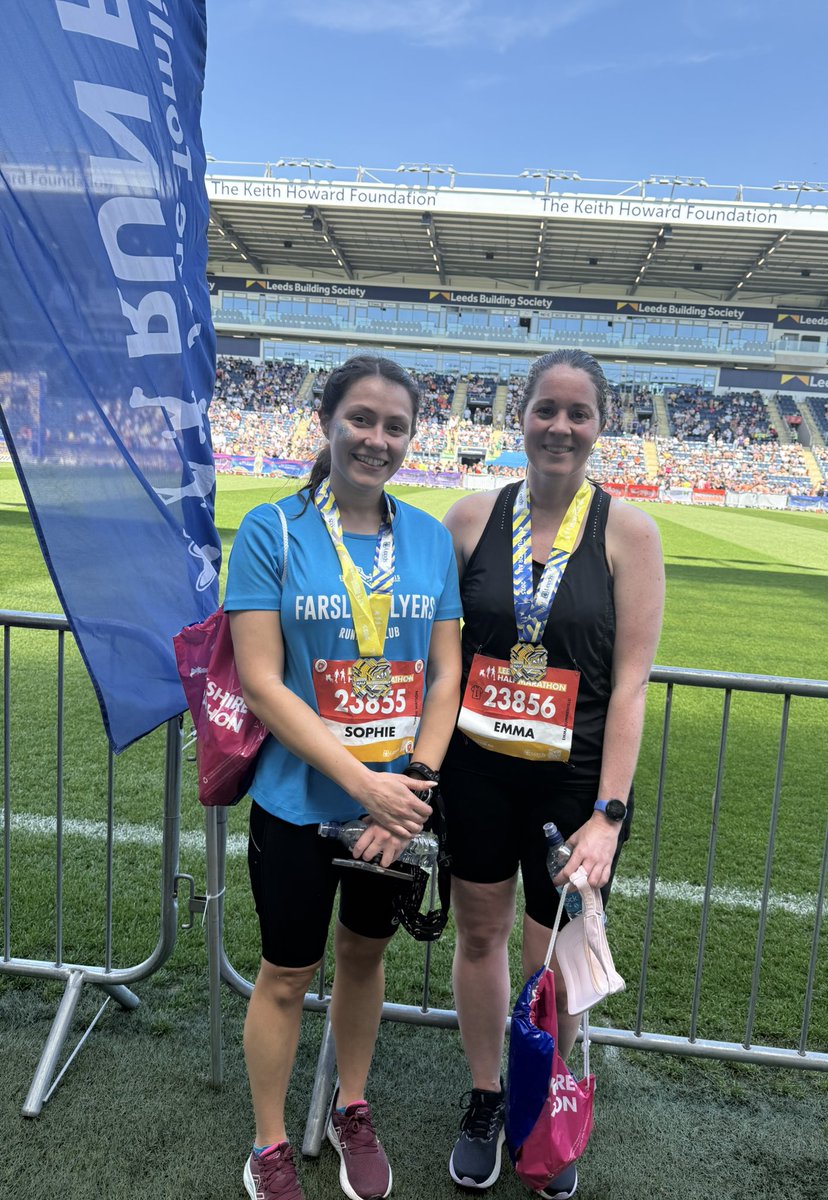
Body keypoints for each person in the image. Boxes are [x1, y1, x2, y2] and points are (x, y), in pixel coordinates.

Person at [225, 354, 463, 1200]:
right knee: (286, 972)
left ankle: (350, 1107)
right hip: (300, 804)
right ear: (327, 422)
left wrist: (411, 791)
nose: (377, 439)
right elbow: (261, 681)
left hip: (393, 812)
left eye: (395, 426)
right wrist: (364, 785)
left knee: (363, 961)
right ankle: (269, 1144)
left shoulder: (429, 539)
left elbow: (444, 676)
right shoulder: (271, 530)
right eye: (361, 419)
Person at [440, 349, 665, 1199]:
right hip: (480, 772)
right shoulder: (469, 519)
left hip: (576, 786)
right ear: (521, 417)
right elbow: (438, 658)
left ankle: (542, 1102)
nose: (561, 426)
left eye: (579, 413)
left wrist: (609, 812)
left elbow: (634, 680)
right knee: (479, 936)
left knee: (556, 956)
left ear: (601, 426)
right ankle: (489, 1096)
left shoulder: (628, 533)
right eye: (546, 409)